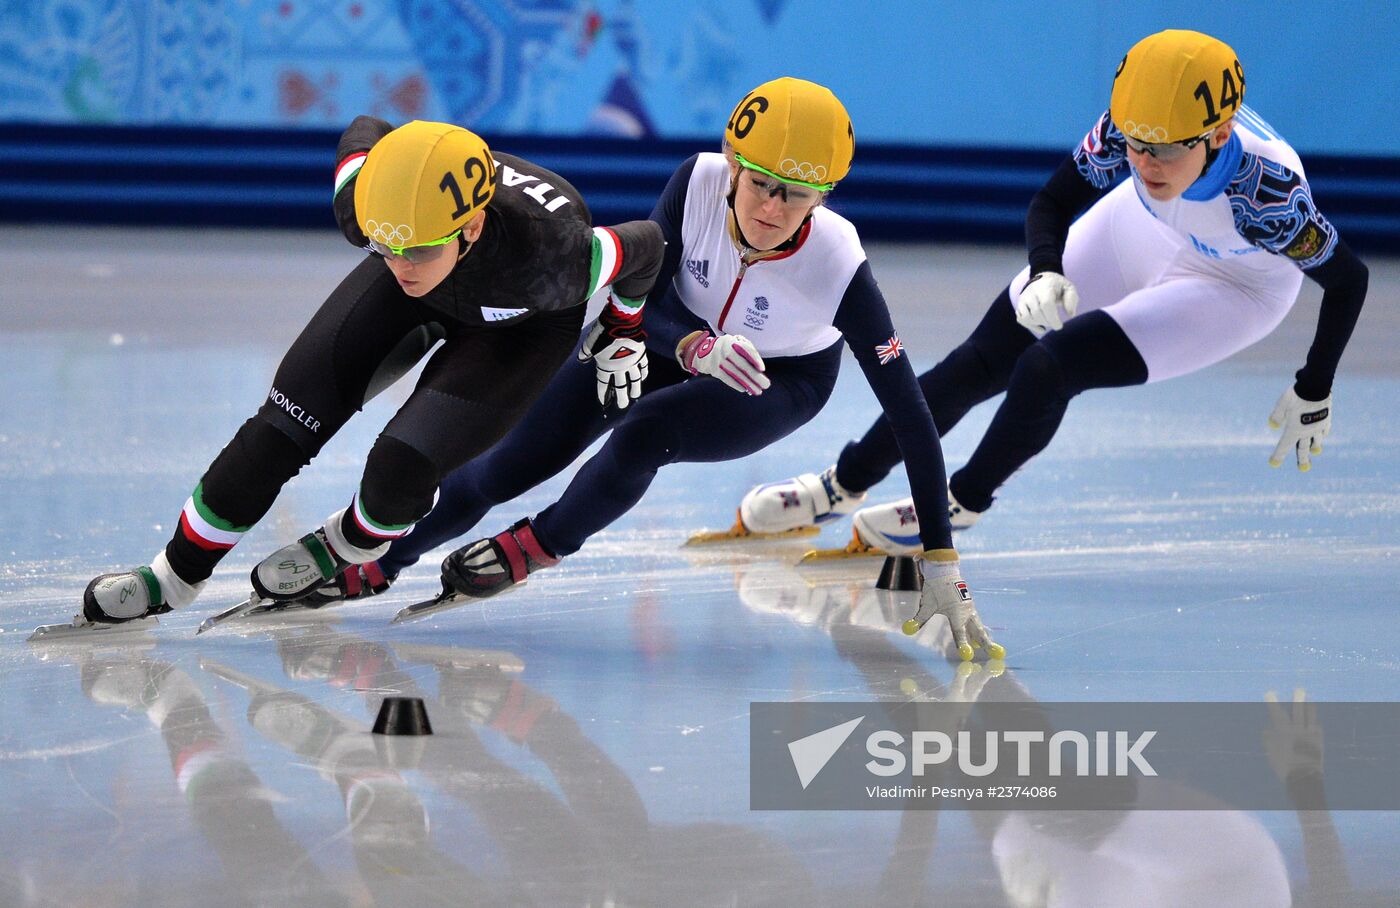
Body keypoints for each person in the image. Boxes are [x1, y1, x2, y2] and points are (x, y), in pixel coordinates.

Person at [350, 77, 1003, 660]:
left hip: (774, 381)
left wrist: (941, 558)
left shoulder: (838, 266)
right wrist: (691, 345)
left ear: (823, 198)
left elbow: (910, 413)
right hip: (665, 339)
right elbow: (639, 295)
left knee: (646, 431)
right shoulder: (695, 182)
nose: (772, 209)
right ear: (734, 170)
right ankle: (380, 559)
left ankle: (539, 544)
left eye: (796, 195)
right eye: (760, 185)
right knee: (512, 458)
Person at [731, 30, 1370, 554]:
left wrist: (1314, 385)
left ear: (1220, 136)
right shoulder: (1140, 122)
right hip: (1143, 229)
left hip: (1236, 284)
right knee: (983, 357)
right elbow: (1054, 200)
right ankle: (842, 483)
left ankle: (963, 502)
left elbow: (1348, 279)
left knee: (1050, 366)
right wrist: (1045, 270)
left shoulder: (1268, 197)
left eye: (1165, 152)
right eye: (1135, 145)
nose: (1144, 163)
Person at [69, 116, 664, 628]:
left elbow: (647, 246)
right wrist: (401, 218)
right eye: (385, 247)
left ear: (473, 227)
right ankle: (170, 577)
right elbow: (365, 130)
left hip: (521, 325)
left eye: (418, 250)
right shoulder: (366, 203)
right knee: (279, 428)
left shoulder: (557, 258)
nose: (401, 264)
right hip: (432, 294)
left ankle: (348, 542)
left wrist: (622, 327)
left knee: (400, 468)